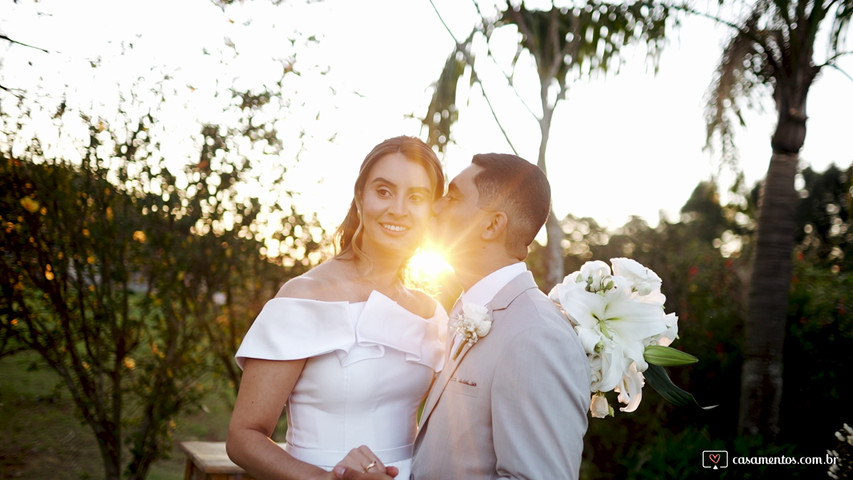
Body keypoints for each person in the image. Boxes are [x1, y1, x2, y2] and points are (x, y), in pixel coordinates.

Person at [335, 153, 590, 480]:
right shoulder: (467, 309)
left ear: (492, 225)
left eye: (452, 196)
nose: (434, 206)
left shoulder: (536, 334)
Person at [226, 136, 448, 480]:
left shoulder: (432, 314)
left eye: (416, 197)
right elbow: (243, 438)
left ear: (431, 210)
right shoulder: (304, 297)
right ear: (360, 197)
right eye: (384, 191)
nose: (398, 210)